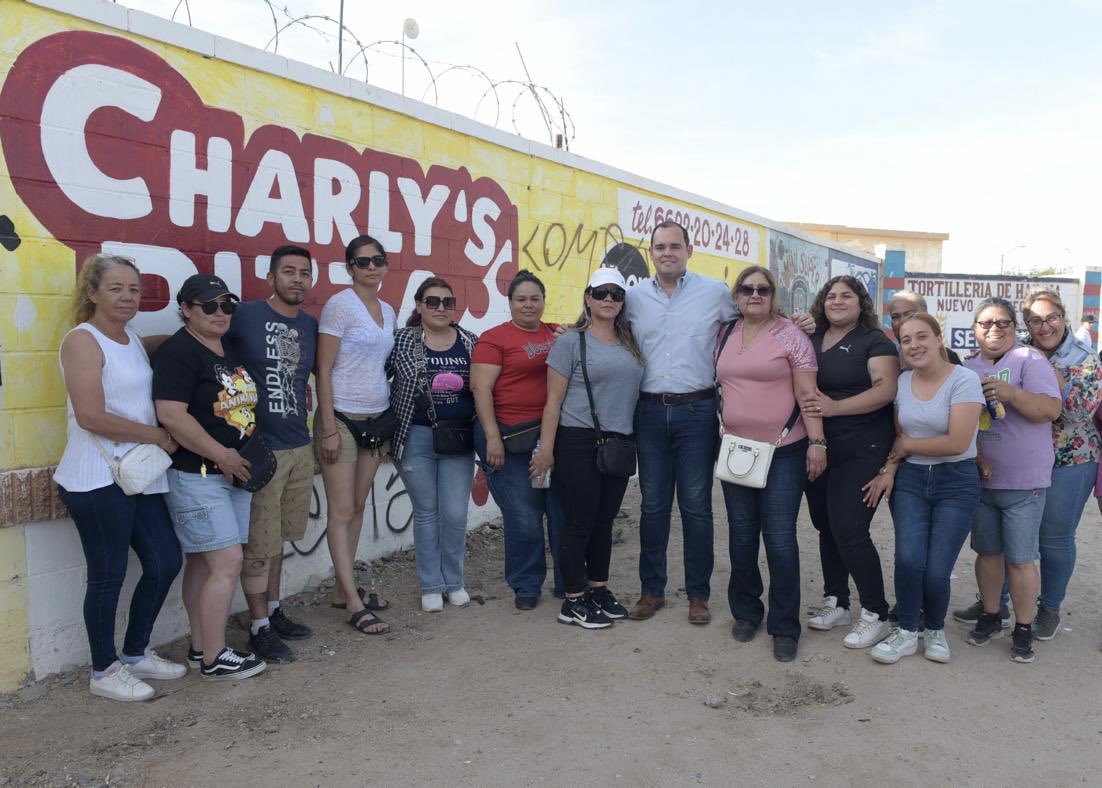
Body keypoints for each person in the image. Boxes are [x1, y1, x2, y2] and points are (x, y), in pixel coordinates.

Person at [54, 254, 186, 701]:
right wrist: (155, 434)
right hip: (97, 478)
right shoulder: (82, 341)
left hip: (139, 474)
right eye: (115, 288)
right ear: (91, 293)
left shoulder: (129, 339)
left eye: (133, 289)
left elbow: (166, 343)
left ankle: (134, 652)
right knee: (107, 575)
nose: (128, 296)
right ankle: (103, 669)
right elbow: (91, 415)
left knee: (166, 559)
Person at [153, 274, 267, 680]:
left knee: (204, 563)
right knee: (226, 562)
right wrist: (222, 454)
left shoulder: (227, 348)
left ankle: (201, 647)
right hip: (199, 473)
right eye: (209, 305)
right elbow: (170, 415)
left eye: (227, 305)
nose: (221, 313)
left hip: (233, 473)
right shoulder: (179, 352)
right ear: (185, 308)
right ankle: (216, 657)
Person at [623, 220, 737, 625]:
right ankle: (651, 591)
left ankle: (698, 595)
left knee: (696, 507)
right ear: (651, 253)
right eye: (659, 246)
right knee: (653, 507)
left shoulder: (716, 294)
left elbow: (752, 323)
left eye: (675, 246)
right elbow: (605, 330)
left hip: (697, 412)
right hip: (649, 412)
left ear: (689, 250)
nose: (667, 252)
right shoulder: (633, 298)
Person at [717, 266, 826, 662]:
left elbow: (807, 393)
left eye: (763, 289)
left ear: (773, 295)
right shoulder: (724, 333)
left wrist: (817, 441)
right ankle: (746, 612)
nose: (755, 295)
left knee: (779, 537)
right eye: (747, 289)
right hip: (736, 451)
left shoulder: (792, 336)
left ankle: (785, 626)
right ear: (736, 295)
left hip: (784, 450)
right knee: (741, 534)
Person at [862, 314, 984, 664]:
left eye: (921, 337)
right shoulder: (901, 382)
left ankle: (934, 630)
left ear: (938, 338)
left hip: (956, 481)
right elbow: (902, 437)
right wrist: (890, 468)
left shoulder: (965, 380)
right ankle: (905, 633)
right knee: (909, 559)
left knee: (936, 568)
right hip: (912, 481)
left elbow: (958, 443)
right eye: (906, 339)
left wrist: (906, 448)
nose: (914, 345)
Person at [530, 268, 645, 629]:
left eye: (616, 293)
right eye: (601, 292)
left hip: (619, 443)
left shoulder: (631, 341)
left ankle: (599, 589)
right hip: (578, 440)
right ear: (588, 297)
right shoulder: (570, 342)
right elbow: (553, 402)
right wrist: (546, 451)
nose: (609, 299)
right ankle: (573, 599)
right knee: (579, 522)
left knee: (604, 522)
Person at [222, 245, 317, 663]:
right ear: (271, 277)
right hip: (261, 448)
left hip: (299, 444)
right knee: (258, 546)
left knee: (277, 540)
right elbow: (201, 349)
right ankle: (258, 627)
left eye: (304, 273)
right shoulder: (244, 316)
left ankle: (274, 612)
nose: (297, 279)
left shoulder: (311, 325)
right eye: (288, 272)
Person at [961, 297, 1061, 663]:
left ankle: (1023, 628)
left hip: (1024, 482)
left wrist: (1011, 394)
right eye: (985, 323)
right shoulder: (967, 367)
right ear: (975, 329)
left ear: (1014, 327)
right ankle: (990, 615)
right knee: (987, 554)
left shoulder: (1029, 360)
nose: (994, 329)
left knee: (1020, 559)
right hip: (982, 480)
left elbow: (1050, 409)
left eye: (1003, 322)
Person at [801, 276, 899, 649]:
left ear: (861, 304)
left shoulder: (874, 341)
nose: (837, 301)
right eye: (830, 295)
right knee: (825, 525)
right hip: (820, 444)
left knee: (849, 528)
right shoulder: (811, 338)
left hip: (864, 446)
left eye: (847, 296)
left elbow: (885, 390)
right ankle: (837, 601)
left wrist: (836, 407)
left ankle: (876, 613)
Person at [314, 235, 395, 635]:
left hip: (376, 419)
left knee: (359, 505)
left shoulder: (389, 309)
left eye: (378, 260)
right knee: (341, 510)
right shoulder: (339, 306)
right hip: (342, 418)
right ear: (349, 268)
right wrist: (328, 427)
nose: (372, 268)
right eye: (363, 262)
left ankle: (340, 589)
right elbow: (323, 369)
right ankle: (351, 600)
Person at [471, 270, 564, 609]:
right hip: (508, 437)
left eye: (534, 298)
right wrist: (492, 437)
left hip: (549, 435)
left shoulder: (555, 332)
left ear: (543, 301)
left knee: (559, 509)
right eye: (521, 299)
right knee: (524, 514)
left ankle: (568, 579)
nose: (529, 305)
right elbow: (480, 388)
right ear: (510, 303)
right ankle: (526, 584)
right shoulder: (494, 339)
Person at [389, 277, 479, 613]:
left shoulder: (470, 342)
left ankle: (454, 581)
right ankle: (431, 585)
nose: (440, 308)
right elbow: (378, 375)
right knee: (427, 513)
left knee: (454, 514)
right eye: (432, 301)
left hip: (458, 438)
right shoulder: (401, 341)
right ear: (419, 305)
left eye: (447, 302)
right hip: (416, 437)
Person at [1014, 291, 1099, 639]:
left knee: (1054, 538)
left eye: (1051, 317)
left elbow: (1077, 412)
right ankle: (998, 601)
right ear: (1027, 324)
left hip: (1071, 459)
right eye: (1035, 319)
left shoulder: (1086, 358)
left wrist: (1046, 371)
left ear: (1064, 317)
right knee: (1014, 535)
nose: (1044, 326)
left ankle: (1049, 607)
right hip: (1022, 456)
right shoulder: (1017, 350)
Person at [887, 290, 961, 364]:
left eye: (909, 315)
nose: (902, 321)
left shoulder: (949, 358)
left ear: (925, 315)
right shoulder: (887, 357)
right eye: (895, 317)